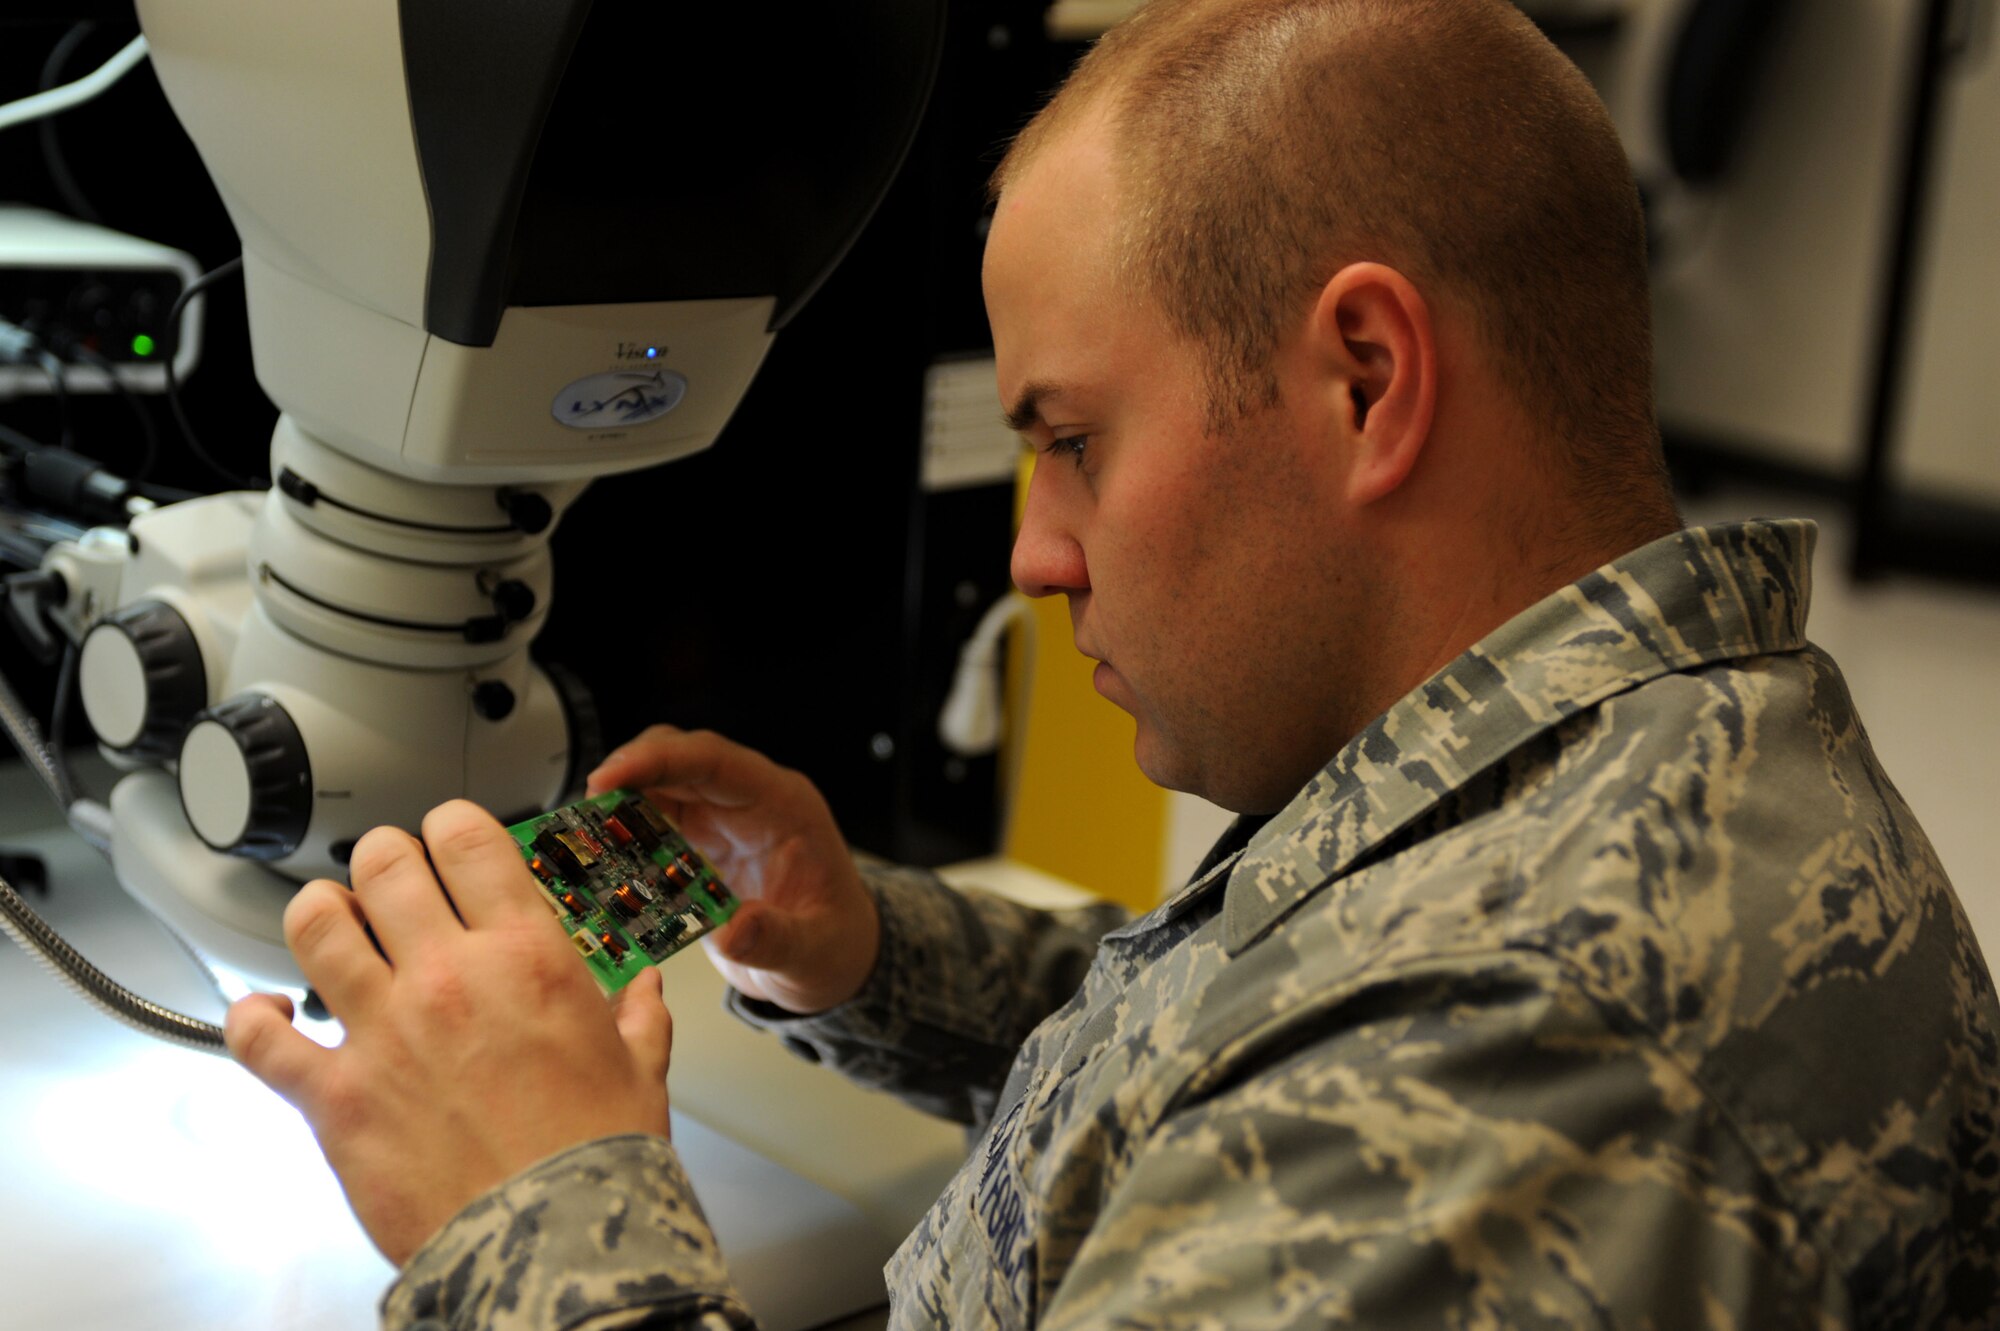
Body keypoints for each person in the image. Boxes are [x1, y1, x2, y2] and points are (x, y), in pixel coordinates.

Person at [225, 0, 2000, 1326]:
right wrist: (868, 958)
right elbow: (1287, 1032)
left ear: (1368, 380)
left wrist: (534, 1202)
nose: (1033, 553)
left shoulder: (1563, 1038)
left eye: (1071, 439)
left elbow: (1396, 1055)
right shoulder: (1607, 781)